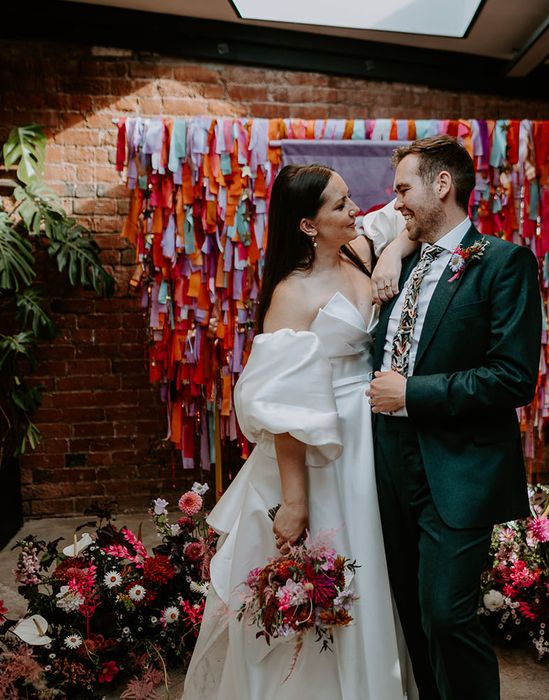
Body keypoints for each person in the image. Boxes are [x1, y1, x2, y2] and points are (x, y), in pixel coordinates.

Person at [183, 163, 416, 700]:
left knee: (371, 568)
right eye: (339, 204)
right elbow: (286, 407)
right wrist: (294, 500)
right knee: (327, 568)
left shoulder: (359, 246)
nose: (355, 208)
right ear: (309, 225)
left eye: (349, 198)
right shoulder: (291, 294)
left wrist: (389, 254)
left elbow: (406, 222)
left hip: (369, 437)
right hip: (320, 450)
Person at [367, 135, 542, 700]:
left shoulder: (504, 264)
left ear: (442, 185)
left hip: (458, 467)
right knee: (414, 613)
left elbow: (512, 377)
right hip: (390, 461)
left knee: (447, 614)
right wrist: (396, 246)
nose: (395, 204)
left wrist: (413, 393)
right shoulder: (402, 259)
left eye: (402, 189)